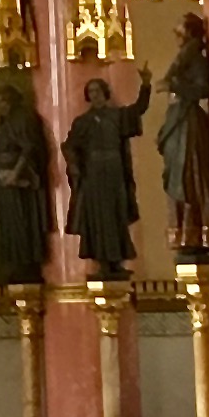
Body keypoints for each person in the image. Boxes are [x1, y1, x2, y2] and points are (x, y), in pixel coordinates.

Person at [60, 65, 150, 278]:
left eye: (98, 91)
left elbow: (139, 109)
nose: (95, 95)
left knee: (116, 214)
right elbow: (70, 146)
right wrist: (75, 167)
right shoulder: (82, 122)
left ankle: (117, 261)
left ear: (105, 93)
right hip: (93, 174)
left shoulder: (117, 116)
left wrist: (146, 85)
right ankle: (102, 261)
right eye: (91, 92)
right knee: (98, 218)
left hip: (114, 172)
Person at [155, 13, 209, 261]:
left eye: (180, 32)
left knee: (191, 176)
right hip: (177, 119)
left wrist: (174, 85)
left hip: (189, 121)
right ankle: (185, 235)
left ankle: (199, 234)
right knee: (176, 176)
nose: (177, 37)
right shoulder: (183, 58)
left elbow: (202, 88)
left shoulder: (198, 60)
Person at [0, 79, 53, 280]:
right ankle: (16, 262)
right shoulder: (3, 122)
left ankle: (27, 263)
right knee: (10, 223)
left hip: (21, 180)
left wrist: (16, 173)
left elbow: (29, 149)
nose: (0, 106)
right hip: (5, 179)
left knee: (23, 221)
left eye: (3, 101)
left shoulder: (23, 119)